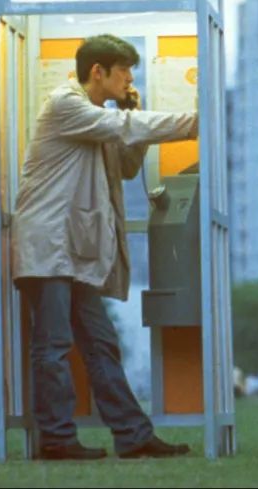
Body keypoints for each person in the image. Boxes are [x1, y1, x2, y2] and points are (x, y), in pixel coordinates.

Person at [13, 34, 198, 461]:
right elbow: (122, 129)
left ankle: (133, 435)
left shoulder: (97, 117)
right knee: (55, 344)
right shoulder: (67, 105)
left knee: (100, 343)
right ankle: (58, 439)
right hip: (49, 246)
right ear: (98, 71)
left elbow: (128, 166)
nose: (131, 78)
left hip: (74, 251)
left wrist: (132, 114)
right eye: (125, 70)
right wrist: (191, 123)